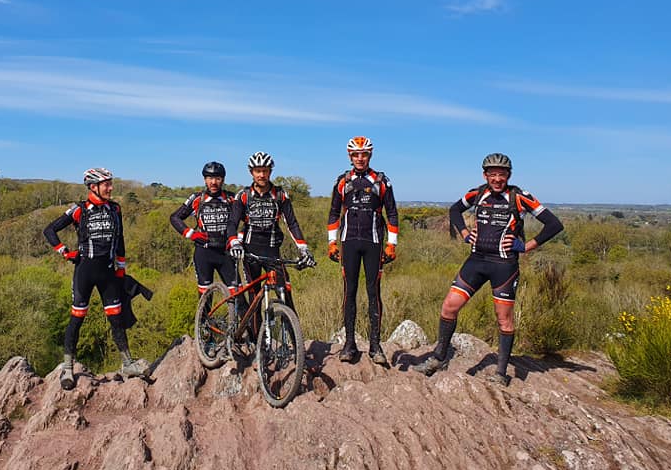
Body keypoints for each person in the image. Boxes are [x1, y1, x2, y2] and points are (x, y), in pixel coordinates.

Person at [413, 153, 564, 386]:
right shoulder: (478, 193)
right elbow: (454, 210)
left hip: (504, 266)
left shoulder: (520, 197)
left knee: (504, 320)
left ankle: (500, 373)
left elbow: (554, 224)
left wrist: (526, 246)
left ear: (508, 176)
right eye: (492, 174)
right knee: (449, 306)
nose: (496, 179)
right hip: (476, 261)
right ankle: (438, 358)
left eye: (501, 174)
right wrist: (465, 234)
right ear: (485, 175)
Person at [43, 167, 149, 390]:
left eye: (110, 184)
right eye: (106, 185)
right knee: (77, 318)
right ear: (93, 187)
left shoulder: (115, 209)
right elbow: (50, 230)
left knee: (116, 318)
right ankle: (68, 367)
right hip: (85, 272)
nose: (110, 188)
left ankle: (127, 363)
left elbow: (120, 239)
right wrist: (64, 251)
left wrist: (121, 266)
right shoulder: (80, 210)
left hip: (109, 272)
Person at [327, 136, 399, 365]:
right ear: (350, 156)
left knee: (373, 293)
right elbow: (333, 213)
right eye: (356, 154)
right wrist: (331, 242)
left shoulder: (381, 181)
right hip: (349, 242)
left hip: (374, 243)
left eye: (364, 154)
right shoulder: (342, 181)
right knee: (349, 292)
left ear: (370, 155)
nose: (360, 158)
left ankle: (375, 346)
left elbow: (392, 213)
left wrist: (392, 244)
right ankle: (349, 344)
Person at [225, 152, 316, 314]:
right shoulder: (243, 195)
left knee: (285, 291)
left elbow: (292, 223)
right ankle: (255, 339)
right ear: (251, 172)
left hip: (272, 250)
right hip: (249, 251)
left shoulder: (280, 195)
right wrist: (234, 242)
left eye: (265, 170)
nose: (261, 175)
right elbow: (232, 223)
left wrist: (303, 248)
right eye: (258, 171)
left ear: (270, 172)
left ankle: (294, 337)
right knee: (254, 297)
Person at [170, 161, 238, 296]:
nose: (213, 182)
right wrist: (191, 234)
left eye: (217, 178)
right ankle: (204, 318)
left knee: (237, 294)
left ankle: (237, 318)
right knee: (205, 297)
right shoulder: (197, 198)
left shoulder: (231, 198)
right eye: (209, 178)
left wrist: (239, 237)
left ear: (223, 180)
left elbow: (246, 218)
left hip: (226, 252)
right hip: (204, 253)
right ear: (204, 179)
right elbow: (175, 217)